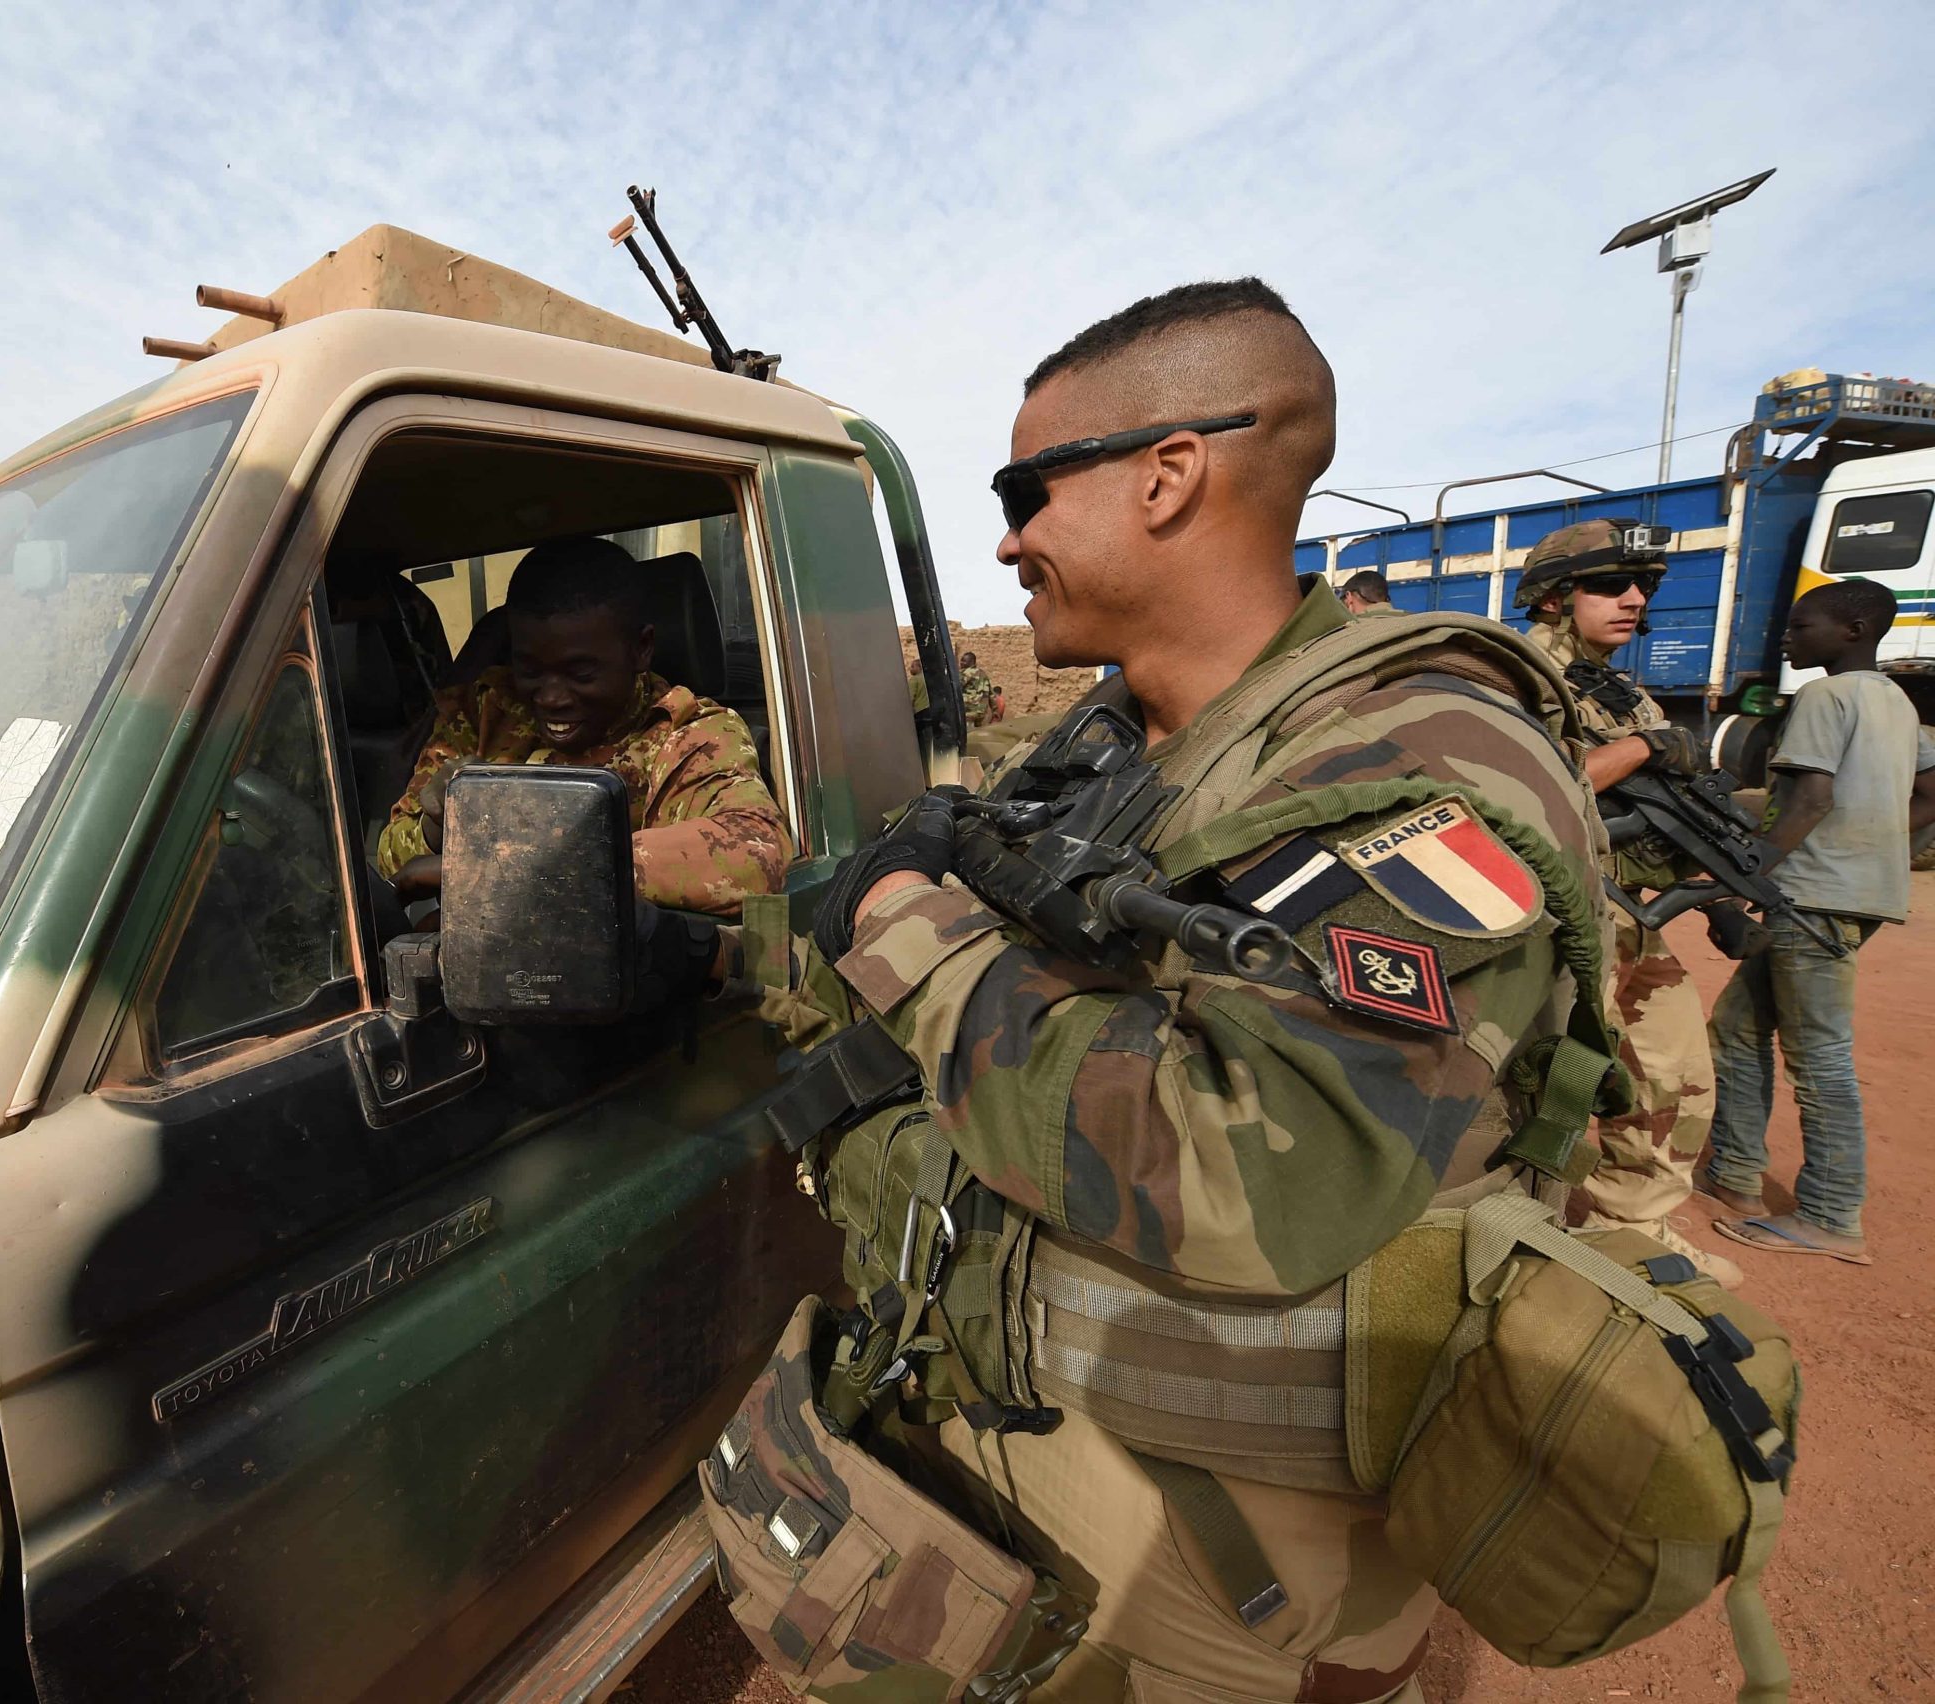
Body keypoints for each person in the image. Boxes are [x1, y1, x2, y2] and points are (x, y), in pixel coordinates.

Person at [787, 279, 1612, 1701]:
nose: (1009, 537)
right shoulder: (1128, 730)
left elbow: (1248, 1173)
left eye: (1028, 489)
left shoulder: (1415, 766)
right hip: (1027, 1442)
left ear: (1170, 474)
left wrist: (903, 927)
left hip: (1234, 1566)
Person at [1514, 518, 1741, 1286]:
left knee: (1672, 1073)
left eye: (1643, 585)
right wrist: (1644, 748)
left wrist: (1718, 899)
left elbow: (1665, 812)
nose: (1635, 598)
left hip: (1622, 913)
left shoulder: (1618, 688)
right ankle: (1526, 1229)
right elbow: (1523, 781)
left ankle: (1629, 1231)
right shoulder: (1517, 674)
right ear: (1551, 598)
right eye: (1611, 584)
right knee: (1540, 1078)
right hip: (1550, 912)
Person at [373, 535, 791, 917]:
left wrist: (529, 868)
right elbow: (397, 862)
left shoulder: (689, 733)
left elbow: (755, 856)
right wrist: (434, 826)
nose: (551, 697)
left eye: (581, 673)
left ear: (641, 649)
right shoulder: (481, 712)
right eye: (530, 669)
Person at [1702, 579, 1935, 1266]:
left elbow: (1810, 797)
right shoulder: (1895, 702)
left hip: (1810, 898)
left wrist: (1750, 875)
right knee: (1738, 1029)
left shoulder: (1824, 696)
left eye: (1802, 627)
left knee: (1820, 1057)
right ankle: (1736, 1175)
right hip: (1849, 893)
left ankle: (1832, 1213)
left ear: (1854, 630)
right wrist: (1884, 844)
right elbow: (1931, 789)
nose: (1788, 635)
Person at [957, 647, 999, 727]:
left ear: (972, 662)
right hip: (981, 712)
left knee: (968, 736)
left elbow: (955, 687)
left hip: (969, 711)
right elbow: (991, 695)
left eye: (964, 661)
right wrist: (995, 710)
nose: (961, 663)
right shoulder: (983, 674)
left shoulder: (966, 673)